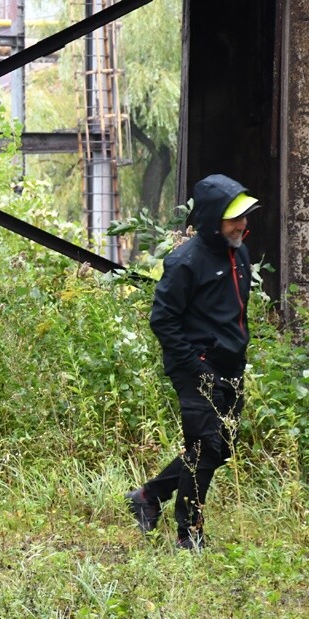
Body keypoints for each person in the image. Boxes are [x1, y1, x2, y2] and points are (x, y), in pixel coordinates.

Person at [126, 173, 258, 550]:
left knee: (222, 447)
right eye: (234, 219)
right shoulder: (186, 262)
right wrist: (195, 365)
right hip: (196, 367)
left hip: (231, 367)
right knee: (205, 448)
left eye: (244, 217)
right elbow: (162, 320)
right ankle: (189, 535)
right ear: (214, 219)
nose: (242, 225)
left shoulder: (239, 253)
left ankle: (148, 497)